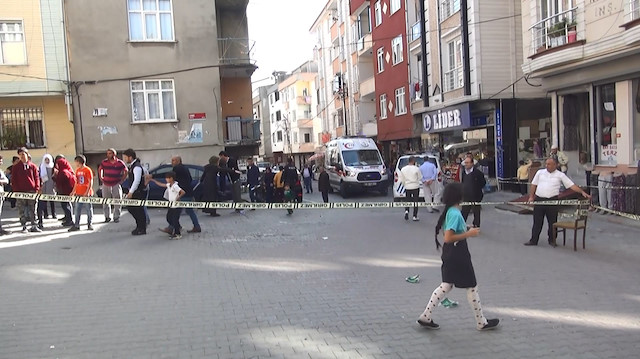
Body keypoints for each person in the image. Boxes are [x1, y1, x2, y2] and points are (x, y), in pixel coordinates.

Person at [416, 182, 499, 331]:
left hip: (450, 252)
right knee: (472, 286)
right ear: (459, 197)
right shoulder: (455, 212)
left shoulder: (450, 211)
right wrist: (469, 233)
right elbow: (448, 237)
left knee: (446, 284)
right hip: (458, 252)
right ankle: (481, 322)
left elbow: (449, 230)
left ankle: (426, 315)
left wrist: (465, 228)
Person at [524, 157, 591, 247]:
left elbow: (571, 185)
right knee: (537, 222)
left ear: (555, 165)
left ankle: (552, 240)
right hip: (540, 199)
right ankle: (533, 240)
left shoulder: (560, 175)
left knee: (552, 221)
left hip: (552, 200)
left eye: (549, 164)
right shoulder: (540, 173)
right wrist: (531, 197)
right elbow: (533, 185)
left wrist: (582, 192)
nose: (547, 166)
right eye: (546, 164)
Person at [161, 156, 200, 233]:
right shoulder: (185, 168)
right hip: (188, 192)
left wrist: (153, 176)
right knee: (189, 210)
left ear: (178, 161)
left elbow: (169, 175)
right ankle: (196, 226)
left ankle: (172, 227)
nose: (172, 162)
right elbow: (190, 179)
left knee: (174, 211)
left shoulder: (177, 168)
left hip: (182, 194)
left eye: (173, 160)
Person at [147, 171, 185, 239]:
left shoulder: (175, 186)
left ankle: (177, 234)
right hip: (171, 205)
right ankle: (177, 227)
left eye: (168, 178)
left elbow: (182, 192)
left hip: (177, 206)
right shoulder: (168, 185)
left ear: (171, 178)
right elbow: (161, 184)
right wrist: (153, 180)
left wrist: (178, 198)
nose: (166, 179)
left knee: (175, 219)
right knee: (169, 218)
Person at [12, 147, 41, 233]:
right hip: (20, 192)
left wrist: (37, 188)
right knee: (22, 210)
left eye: (23, 154)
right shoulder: (16, 167)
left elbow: (37, 178)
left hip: (31, 191)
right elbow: (14, 180)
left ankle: (34, 225)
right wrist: (16, 191)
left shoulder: (33, 166)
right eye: (20, 155)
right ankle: (24, 226)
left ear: (27, 155)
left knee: (33, 209)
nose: (22, 156)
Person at [123, 149, 148, 235]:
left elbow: (136, 180)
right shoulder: (132, 166)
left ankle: (142, 228)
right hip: (135, 191)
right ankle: (139, 226)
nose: (125, 159)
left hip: (138, 192)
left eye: (125, 157)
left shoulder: (136, 167)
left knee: (139, 210)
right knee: (132, 209)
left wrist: (131, 192)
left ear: (130, 157)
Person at [99, 148, 128, 223]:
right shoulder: (104, 162)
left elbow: (126, 170)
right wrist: (101, 177)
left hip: (116, 184)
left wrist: (122, 180)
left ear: (114, 154)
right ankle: (107, 217)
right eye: (107, 153)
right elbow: (100, 169)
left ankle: (116, 217)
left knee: (117, 201)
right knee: (105, 201)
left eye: (110, 153)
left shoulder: (120, 163)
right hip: (106, 184)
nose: (108, 155)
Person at [68, 155, 94, 231]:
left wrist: (87, 192)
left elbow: (90, 181)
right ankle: (76, 225)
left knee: (88, 209)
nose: (75, 163)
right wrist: (73, 191)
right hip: (79, 193)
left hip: (86, 193)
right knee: (77, 210)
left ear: (79, 162)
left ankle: (90, 224)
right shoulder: (78, 170)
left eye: (76, 162)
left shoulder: (87, 170)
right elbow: (77, 182)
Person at [460, 156, 486, 228]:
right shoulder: (464, 172)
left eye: (468, 163)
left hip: (476, 195)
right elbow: (463, 182)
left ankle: (476, 225)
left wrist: (477, 189)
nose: (466, 164)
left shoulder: (478, 173)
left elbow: (483, 182)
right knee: (464, 211)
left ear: (472, 164)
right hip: (466, 195)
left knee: (476, 211)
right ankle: (461, 225)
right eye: (465, 163)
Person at [53, 155, 76, 226]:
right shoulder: (67, 170)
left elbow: (59, 181)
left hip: (63, 192)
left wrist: (55, 175)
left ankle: (69, 220)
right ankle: (67, 218)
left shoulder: (63, 172)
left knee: (65, 206)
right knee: (66, 205)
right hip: (67, 191)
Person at [399, 156, 422, 221]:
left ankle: (406, 211)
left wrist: (405, 184)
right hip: (415, 186)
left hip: (407, 186)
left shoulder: (403, 169)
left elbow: (402, 179)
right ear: (413, 161)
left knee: (407, 200)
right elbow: (420, 177)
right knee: (415, 201)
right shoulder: (416, 169)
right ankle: (415, 216)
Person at [37, 154, 57, 229]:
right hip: (44, 186)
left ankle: (53, 213)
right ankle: (45, 214)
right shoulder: (42, 167)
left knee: (52, 200)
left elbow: (55, 177)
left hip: (51, 185)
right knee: (43, 202)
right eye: (46, 159)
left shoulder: (53, 167)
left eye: (48, 159)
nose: (47, 161)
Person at [0, 156, 9, 235]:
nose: (1, 162)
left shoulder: (0, 171)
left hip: (1, 193)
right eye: (0, 161)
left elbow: (6, 180)